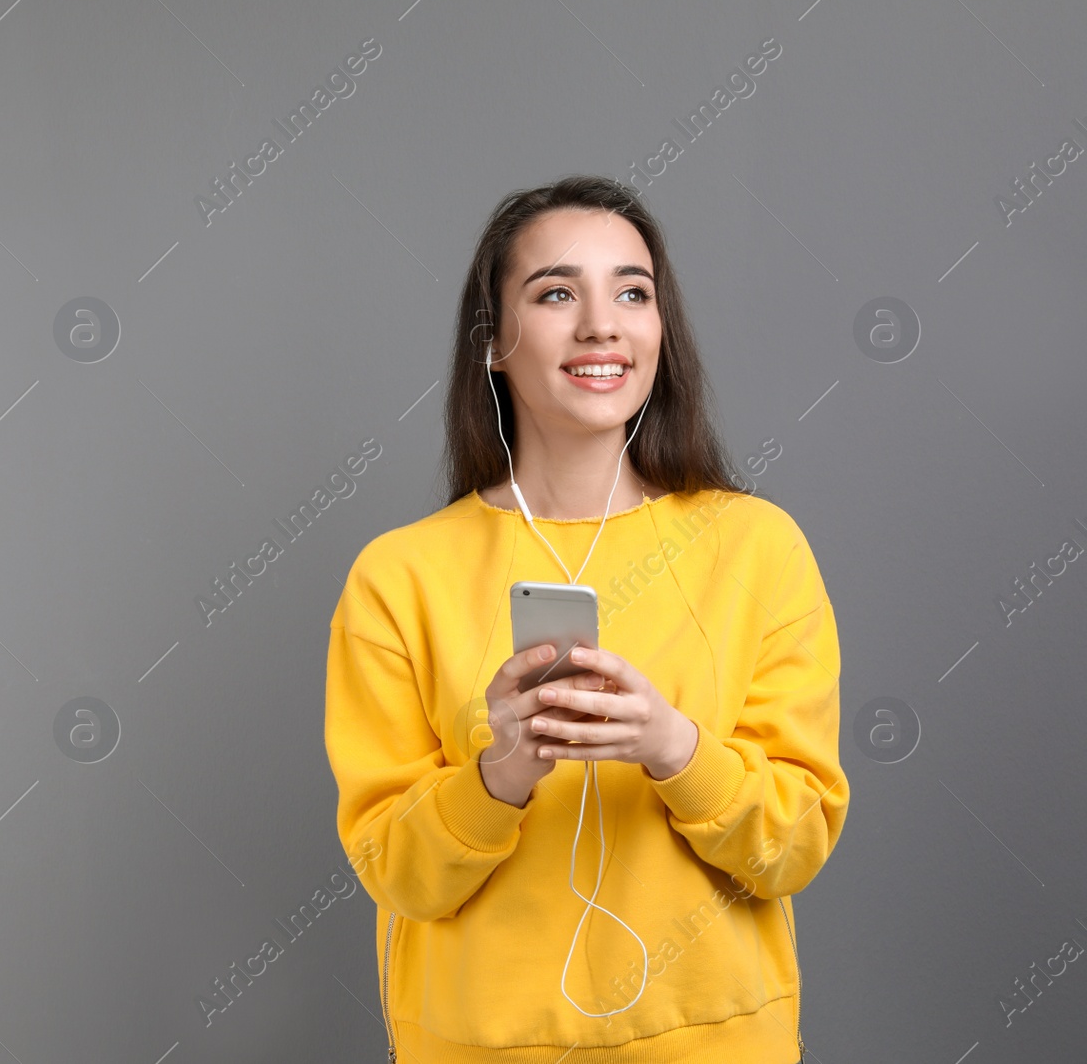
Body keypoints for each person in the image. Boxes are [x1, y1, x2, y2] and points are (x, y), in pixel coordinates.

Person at [323, 174, 847, 1063]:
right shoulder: (398, 576)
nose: (602, 323)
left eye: (633, 292)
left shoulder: (758, 546)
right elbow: (397, 872)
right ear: (493, 343)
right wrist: (500, 774)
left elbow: (792, 847)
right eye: (557, 292)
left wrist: (674, 746)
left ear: (659, 331)